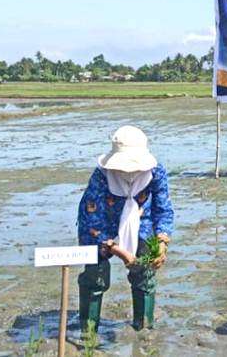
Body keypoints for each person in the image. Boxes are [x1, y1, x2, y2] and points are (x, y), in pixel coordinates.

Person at [77, 126, 174, 333]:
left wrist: (162, 243)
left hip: (141, 223)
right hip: (101, 228)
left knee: (144, 273)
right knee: (96, 276)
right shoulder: (101, 176)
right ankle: (89, 330)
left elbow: (163, 209)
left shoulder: (156, 173)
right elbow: (93, 219)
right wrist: (118, 250)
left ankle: (144, 327)